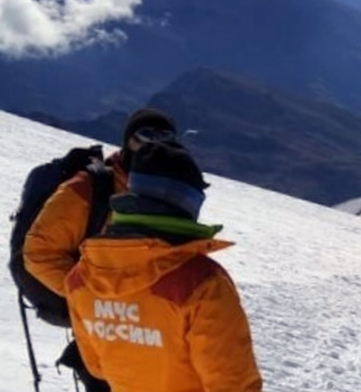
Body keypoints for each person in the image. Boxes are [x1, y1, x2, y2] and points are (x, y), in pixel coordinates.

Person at [65, 140, 263, 392]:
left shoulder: (80, 278)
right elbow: (234, 385)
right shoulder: (201, 282)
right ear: (187, 202)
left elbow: (96, 367)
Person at [23, 108, 178, 392]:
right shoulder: (88, 188)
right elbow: (39, 253)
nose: (155, 145)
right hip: (105, 325)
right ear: (127, 141)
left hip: (149, 327)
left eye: (165, 137)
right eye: (145, 136)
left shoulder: (168, 193)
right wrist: (93, 298)